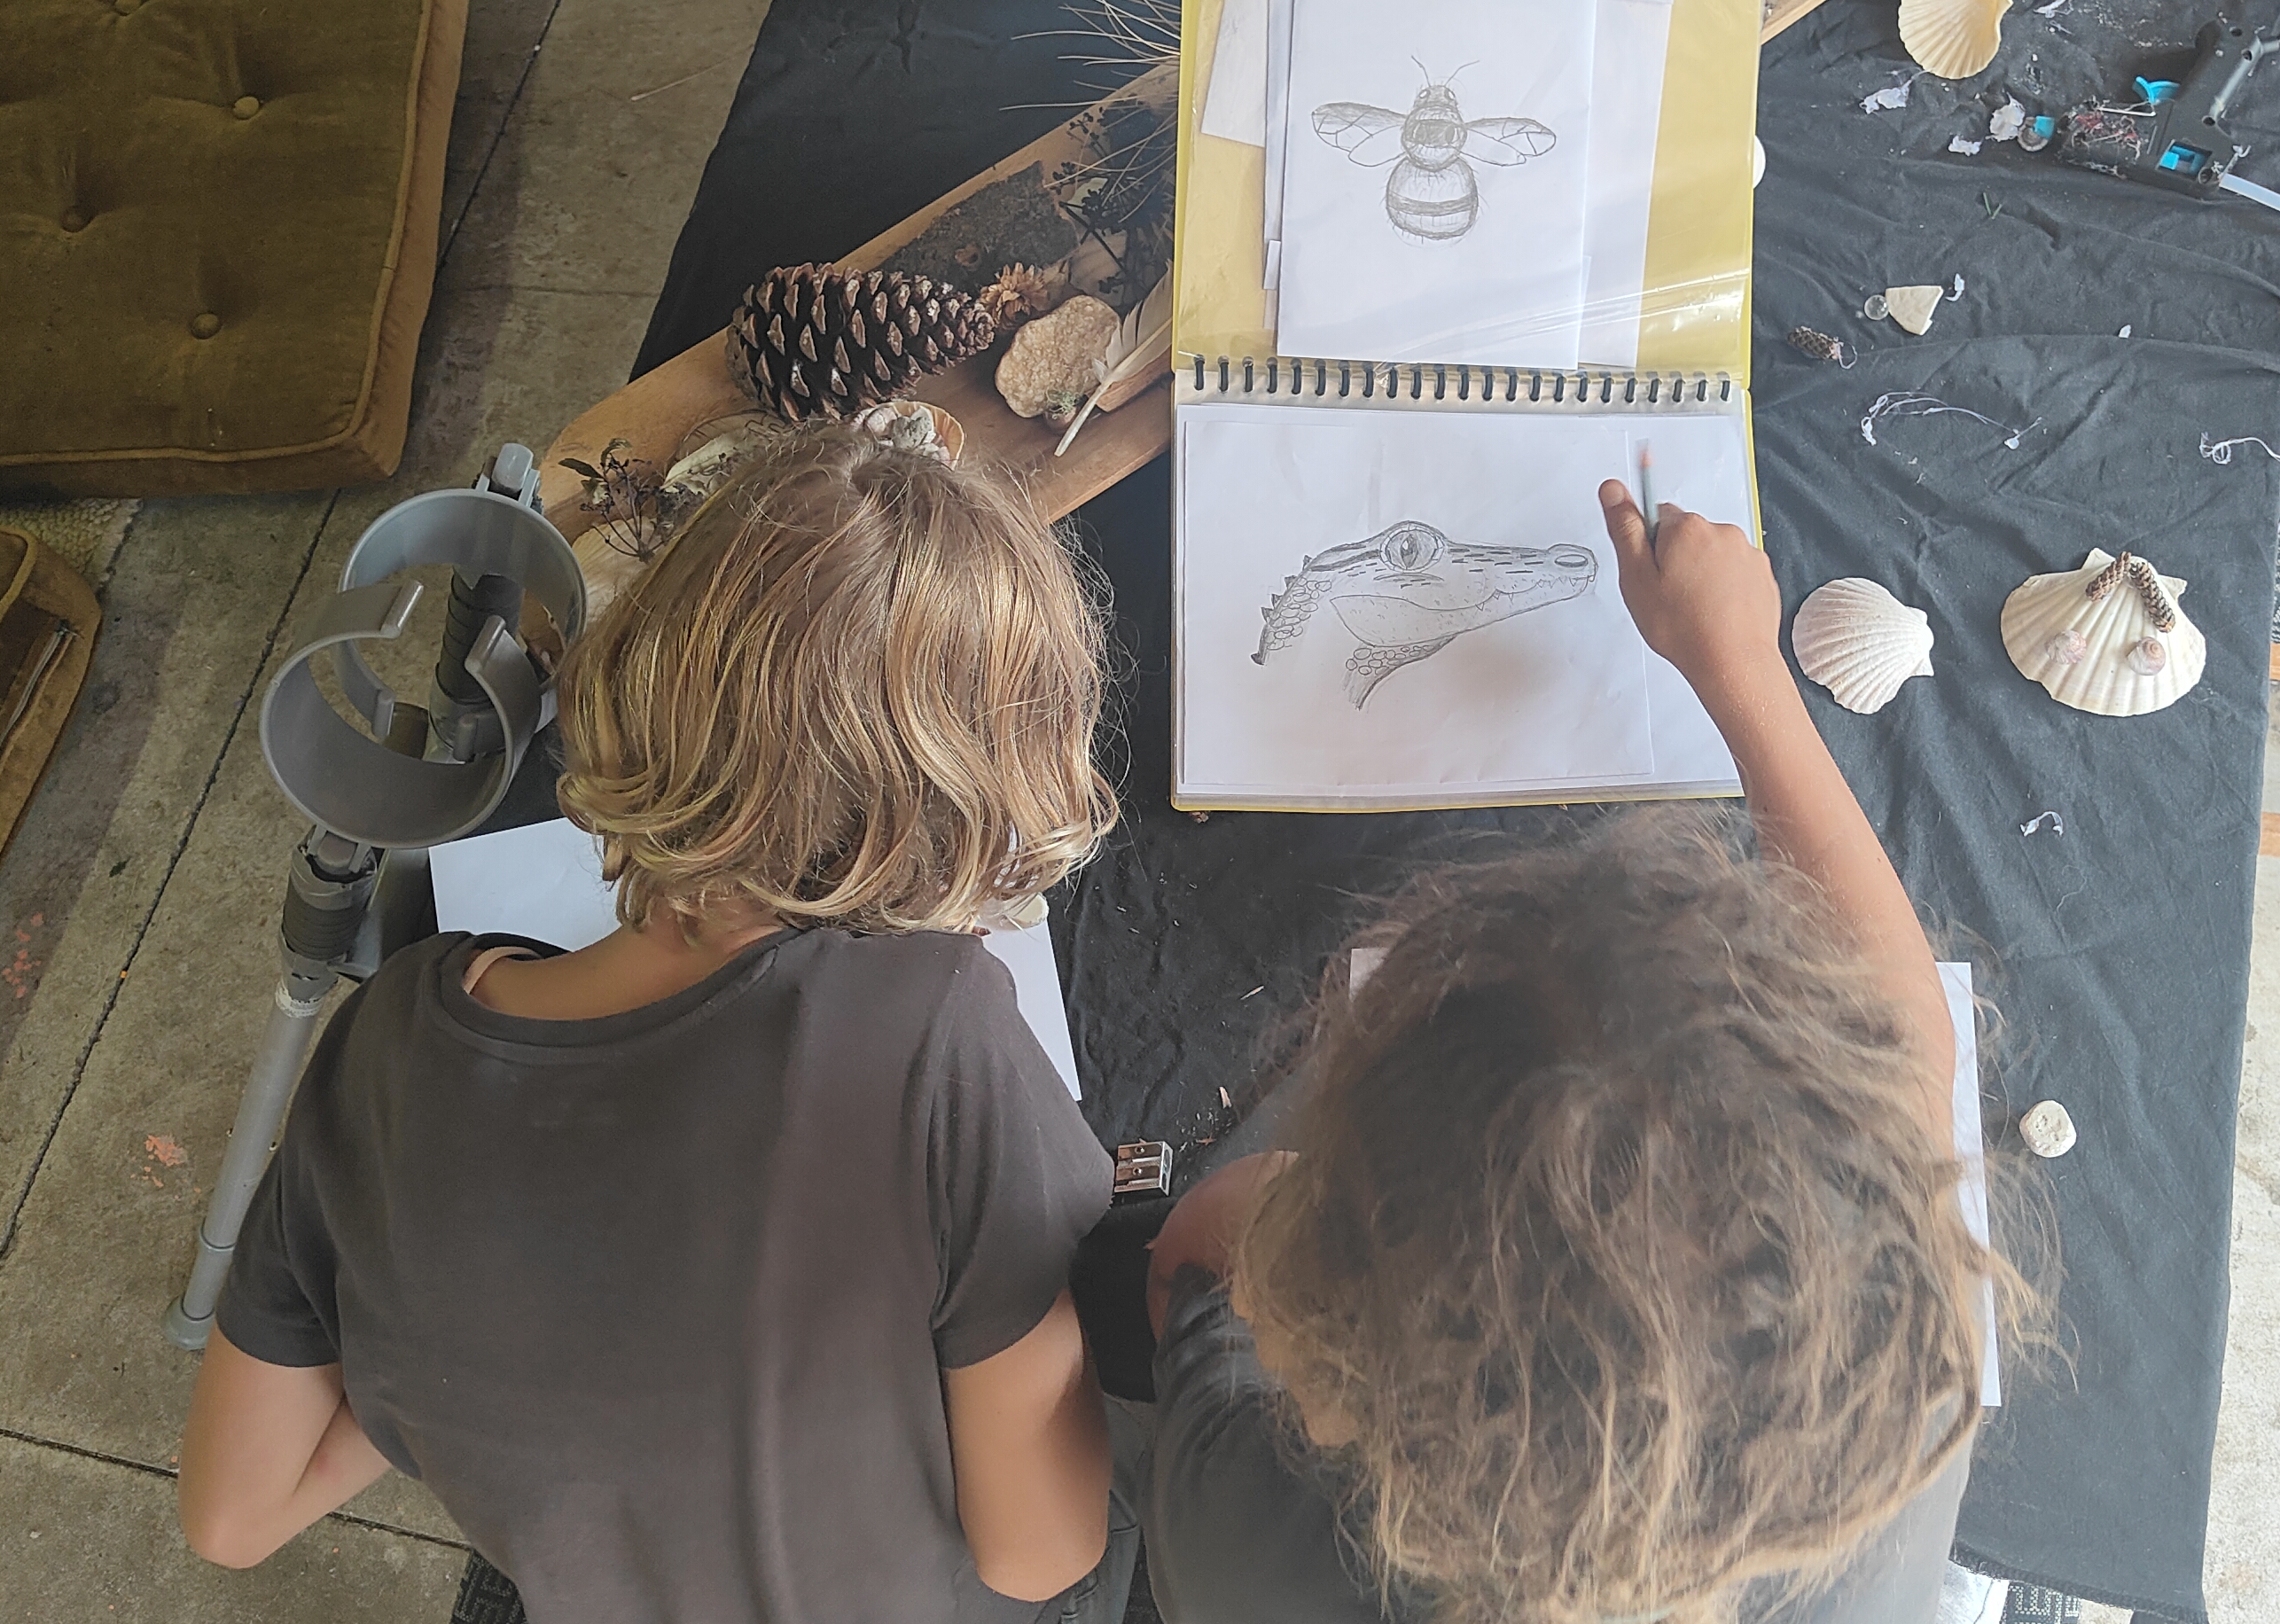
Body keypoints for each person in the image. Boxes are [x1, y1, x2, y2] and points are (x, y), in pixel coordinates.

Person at [177, 423, 1124, 1621]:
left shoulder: (391, 1041)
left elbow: (230, 1515)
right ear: (969, 794)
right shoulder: (940, 1040)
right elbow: (1040, 1554)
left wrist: (476, 1346)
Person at [1136, 482, 2026, 1624]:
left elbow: (1199, 1255)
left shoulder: (1248, 1553)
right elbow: (1901, 1038)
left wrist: (1276, 1217)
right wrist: (1740, 670)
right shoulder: (1880, 1376)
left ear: (1347, 1355)